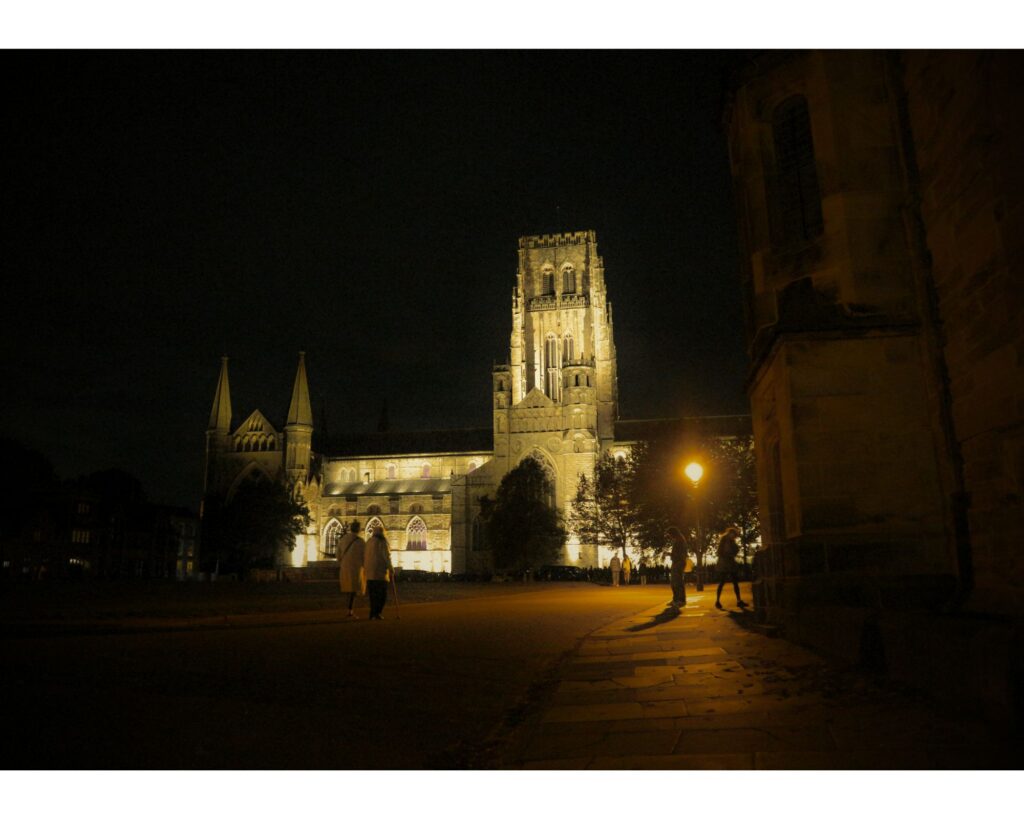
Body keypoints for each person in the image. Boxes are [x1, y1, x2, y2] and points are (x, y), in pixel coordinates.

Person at [364, 524, 394, 620]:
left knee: (373, 595)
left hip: (369, 574)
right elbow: (386, 556)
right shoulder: (382, 542)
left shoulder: (368, 542)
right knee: (382, 594)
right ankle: (378, 612)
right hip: (380, 573)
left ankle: (372, 613)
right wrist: (390, 568)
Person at [337, 521, 366, 618]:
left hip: (345, 567)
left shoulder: (343, 539)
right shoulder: (361, 541)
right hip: (356, 569)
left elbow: (338, 555)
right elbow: (364, 557)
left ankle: (349, 610)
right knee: (353, 590)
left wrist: (342, 562)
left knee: (347, 589)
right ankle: (350, 610)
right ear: (358, 529)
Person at [715, 526, 748, 610]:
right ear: (730, 533)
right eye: (734, 535)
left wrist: (734, 552)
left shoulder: (730, 540)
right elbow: (722, 552)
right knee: (724, 582)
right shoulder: (725, 540)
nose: (734, 537)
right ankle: (718, 601)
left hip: (728, 563)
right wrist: (731, 554)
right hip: (725, 564)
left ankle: (738, 600)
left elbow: (733, 550)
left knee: (733, 582)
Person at [666, 527, 688, 608]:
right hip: (678, 562)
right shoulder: (679, 539)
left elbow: (679, 554)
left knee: (677, 582)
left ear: (673, 533)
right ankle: (676, 599)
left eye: (669, 534)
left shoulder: (679, 541)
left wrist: (670, 554)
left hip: (678, 562)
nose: (669, 536)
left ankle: (680, 600)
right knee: (675, 582)